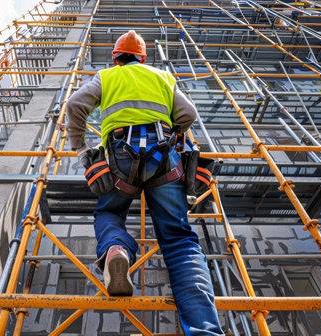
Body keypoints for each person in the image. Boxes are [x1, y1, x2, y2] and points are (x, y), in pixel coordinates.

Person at [66, 30, 223, 335]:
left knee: (109, 214)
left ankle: (116, 249)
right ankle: (204, 330)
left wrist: (82, 149)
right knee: (179, 240)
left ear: (116, 57)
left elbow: (75, 104)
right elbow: (188, 113)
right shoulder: (162, 77)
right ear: (142, 57)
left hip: (119, 161)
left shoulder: (108, 77)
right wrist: (174, 132)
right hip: (164, 161)